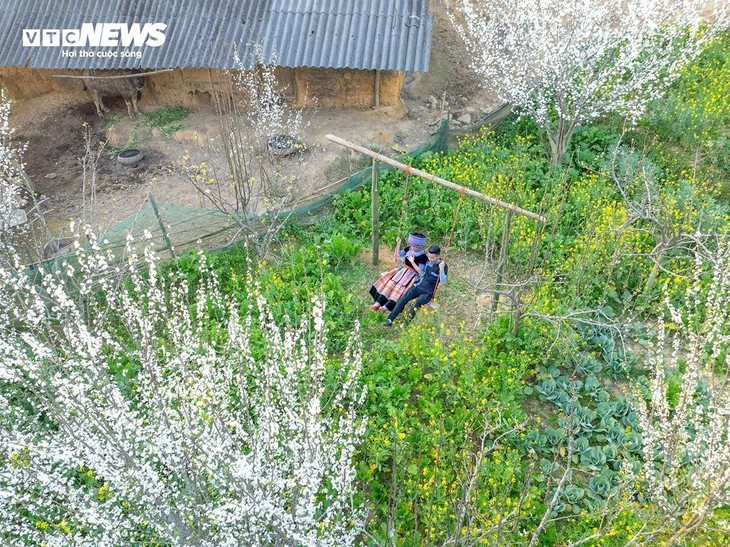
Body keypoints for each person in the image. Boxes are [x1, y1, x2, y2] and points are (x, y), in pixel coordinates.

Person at [382, 245, 447, 327]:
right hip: (419, 286)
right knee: (403, 299)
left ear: (438, 256)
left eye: (432, 258)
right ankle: (389, 320)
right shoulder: (427, 262)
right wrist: (411, 261)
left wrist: (441, 269)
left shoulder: (443, 266)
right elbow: (421, 272)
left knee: (418, 303)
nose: (430, 259)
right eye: (429, 257)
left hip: (428, 292)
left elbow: (443, 282)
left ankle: (405, 324)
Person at [369, 232, 428, 312]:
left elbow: (420, 271)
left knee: (398, 290)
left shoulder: (423, 256)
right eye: (413, 246)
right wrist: (398, 244)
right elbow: (398, 255)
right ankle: (377, 304)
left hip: (411, 276)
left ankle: (385, 307)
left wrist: (412, 262)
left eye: (417, 247)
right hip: (402, 272)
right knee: (390, 285)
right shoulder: (409, 249)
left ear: (422, 246)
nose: (414, 248)